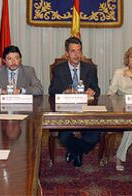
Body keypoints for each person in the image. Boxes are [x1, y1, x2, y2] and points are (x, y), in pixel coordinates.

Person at [48, 37, 100, 167]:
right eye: (73, 51)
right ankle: (78, 152)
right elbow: (52, 90)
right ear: (66, 53)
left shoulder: (90, 68)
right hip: (66, 112)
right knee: (63, 137)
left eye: (79, 51)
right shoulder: (58, 69)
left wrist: (92, 90)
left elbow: (97, 88)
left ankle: (75, 151)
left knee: (94, 137)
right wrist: (65, 91)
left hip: (86, 112)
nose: (76, 55)